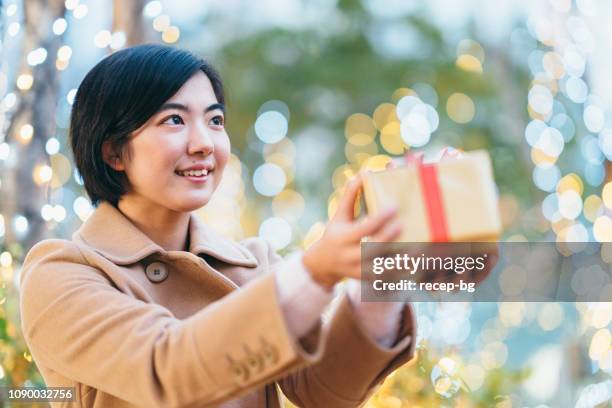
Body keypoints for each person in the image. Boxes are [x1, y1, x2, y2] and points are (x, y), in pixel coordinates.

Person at [19, 44, 416, 408]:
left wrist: (384, 262)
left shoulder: (252, 262)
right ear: (114, 151)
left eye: (215, 120)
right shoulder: (62, 273)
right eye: (174, 119)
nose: (204, 143)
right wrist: (314, 272)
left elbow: (325, 390)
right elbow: (168, 368)